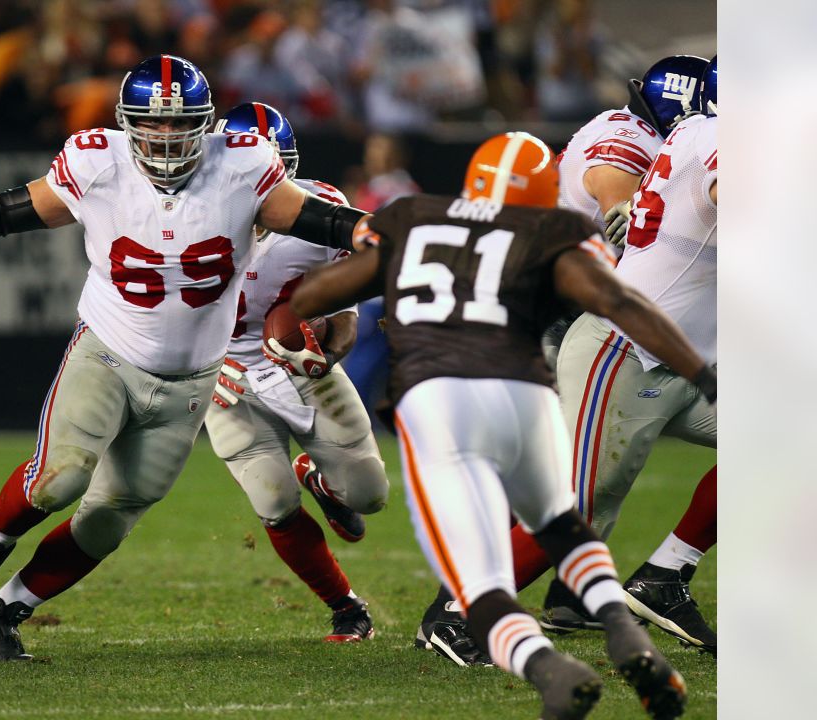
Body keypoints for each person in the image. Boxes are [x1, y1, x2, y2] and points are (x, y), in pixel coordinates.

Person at [0, 55, 371, 661]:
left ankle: (2, 613)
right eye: (151, 126)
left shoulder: (241, 167)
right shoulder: (98, 163)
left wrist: (375, 235)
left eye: (180, 124)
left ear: (206, 126)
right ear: (128, 125)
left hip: (192, 383)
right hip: (108, 353)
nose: (164, 138)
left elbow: (322, 221)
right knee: (62, 477)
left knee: (108, 519)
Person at [290, 131, 710, 719]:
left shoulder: (414, 218)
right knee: (563, 523)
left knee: (476, 575)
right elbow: (622, 303)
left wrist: (363, 297)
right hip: (521, 395)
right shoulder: (557, 233)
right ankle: (621, 627)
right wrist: (702, 373)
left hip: (440, 404)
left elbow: (317, 294)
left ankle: (547, 669)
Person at [416, 54, 715, 664]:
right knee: (578, 501)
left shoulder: (690, 132)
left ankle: (663, 576)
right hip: (618, 345)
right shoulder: (703, 139)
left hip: (684, 353)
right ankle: (460, 612)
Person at [205, 102, 388, 642]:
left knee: (369, 495)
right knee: (273, 500)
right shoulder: (180, 214)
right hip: (225, 375)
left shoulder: (322, 206)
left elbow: (350, 300)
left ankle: (321, 476)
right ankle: (346, 607)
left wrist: (330, 342)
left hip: (300, 365)